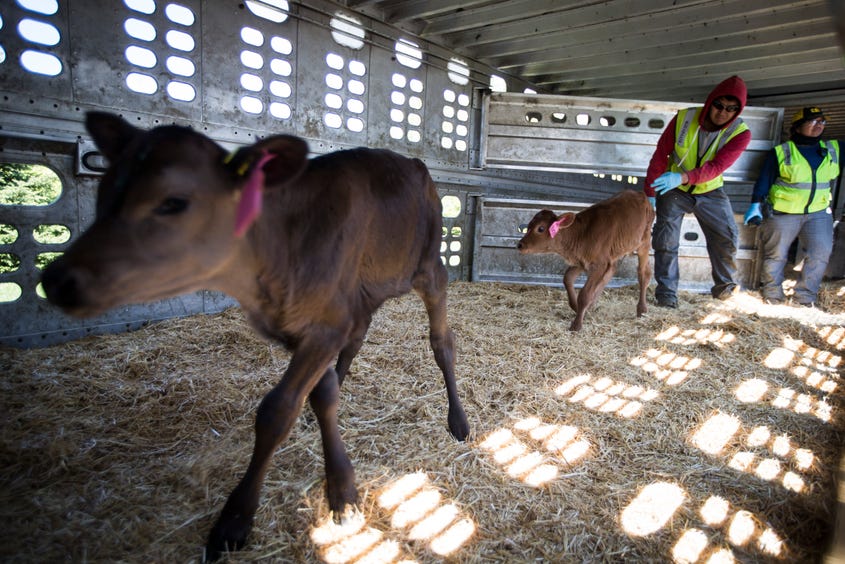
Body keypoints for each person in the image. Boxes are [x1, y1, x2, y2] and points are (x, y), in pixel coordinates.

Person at [645, 75, 752, 308]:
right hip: (675, 190)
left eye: (731, 109)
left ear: (737, 111)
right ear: (710, 101)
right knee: (666, 240)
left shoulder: (740, 133)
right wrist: (650, 193)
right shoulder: (684, 118)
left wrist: (682, 176)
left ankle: (724, 290)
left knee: (726, 237)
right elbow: (661, 154)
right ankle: (666, 295)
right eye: (719, 105)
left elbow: (716, 168)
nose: (723, 112)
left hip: (710, 190)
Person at [743, 107, 839, 307]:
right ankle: (772, 295)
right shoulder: (781, 152)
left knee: (820, 253)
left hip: (818, 214)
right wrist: (755, 205)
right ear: (797, 127)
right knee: (776, 255)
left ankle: (805, 298)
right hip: (783, 214)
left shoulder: (833, 149)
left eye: (822, 121)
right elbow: (764, 181)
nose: (819, 125)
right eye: (813, 121)